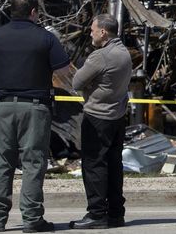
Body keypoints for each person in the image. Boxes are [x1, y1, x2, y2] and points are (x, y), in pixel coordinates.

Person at [0, 0, 71, 233]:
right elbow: (64, 72)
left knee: (1, 163)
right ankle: (31, 219)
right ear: (33, 12)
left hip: (1, 107)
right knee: (33, 163)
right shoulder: (46, 38)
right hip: (34, 108)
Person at [70, 14, 132, 229]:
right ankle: (116, 213)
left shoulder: (101, 56)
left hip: (97, 117)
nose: (90, 33)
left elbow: (76, 82)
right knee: (114, 165)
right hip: (117, 116)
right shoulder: (124, 52)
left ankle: (96, 214)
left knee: (94, 165)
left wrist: (89, 86)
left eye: (93, 29)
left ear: (103, 32)